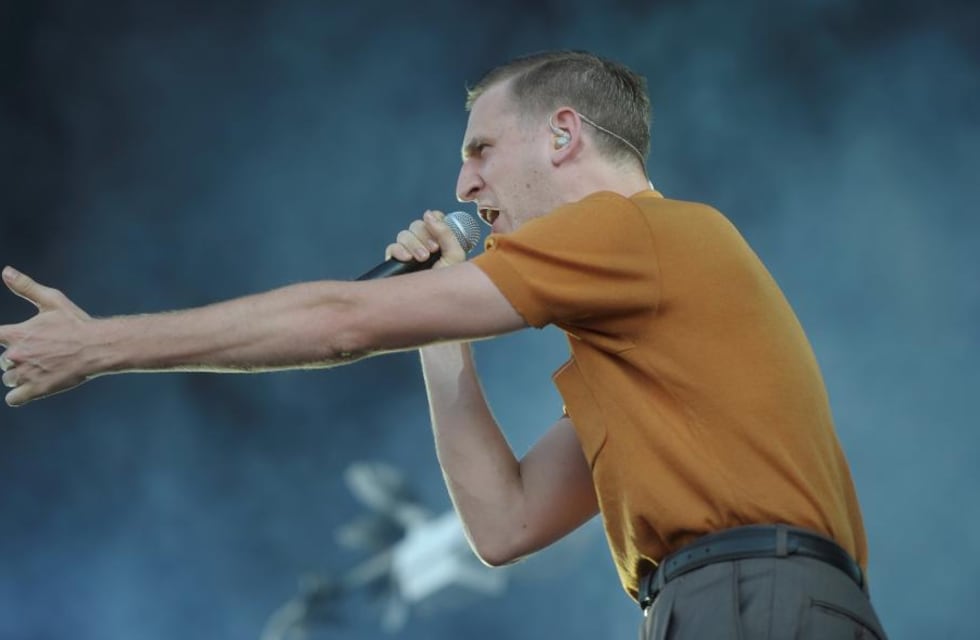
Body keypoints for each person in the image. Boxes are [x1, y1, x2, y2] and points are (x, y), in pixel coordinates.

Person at [0, 50, 885, 638]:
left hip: (749, 603)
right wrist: (437, 326)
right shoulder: (653, 354)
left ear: (565, 134)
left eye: (482, 150)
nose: (465, 183)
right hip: (723, 604)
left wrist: (98, 346)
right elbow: (504, 525)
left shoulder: (634, 230)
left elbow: (341, 322)